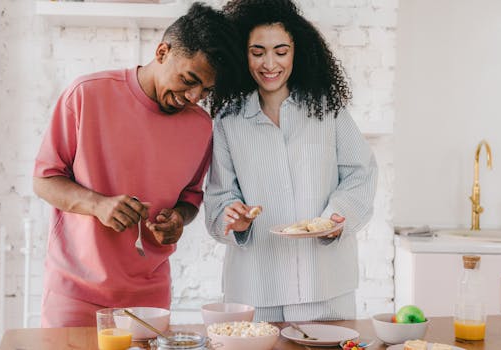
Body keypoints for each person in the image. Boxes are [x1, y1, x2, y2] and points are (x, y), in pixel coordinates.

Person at [33, 3, 242, 327]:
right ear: (162, 51)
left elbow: (190, 198)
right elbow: (45, 179)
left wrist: (178, 220)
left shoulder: (201, 127)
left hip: (149, 300)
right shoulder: (86, 94)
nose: (194, 96)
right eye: (189, 80)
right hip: (74, 292)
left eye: (206, 90)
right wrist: (98, 205)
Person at [204, 0, 378, 322]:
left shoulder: (327, 110)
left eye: (280, 51)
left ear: (297, 51)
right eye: (257, 52)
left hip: (324, 285)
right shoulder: (229, 121)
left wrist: (334, 219)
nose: (269, 63)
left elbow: (360, 173)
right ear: (243, 54)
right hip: (255, 289)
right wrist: (234, 219)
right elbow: (219, 198)